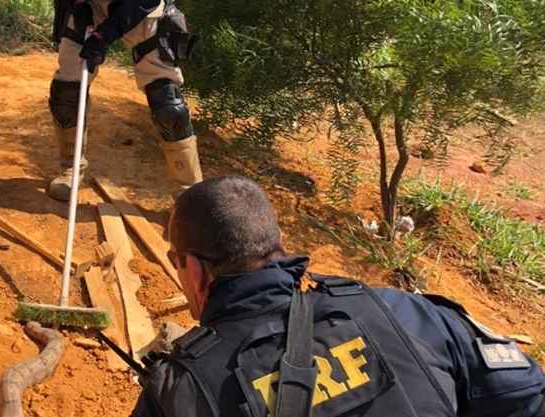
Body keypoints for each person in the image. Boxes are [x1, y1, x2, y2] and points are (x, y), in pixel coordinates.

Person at [131, 175, 545, 417]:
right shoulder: (403, 311)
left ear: (197, 270)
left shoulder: (179, 392)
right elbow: (527, 397)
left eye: (176, 261)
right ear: (277, 245)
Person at [47, 0, 202, 201]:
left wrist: (104, 35)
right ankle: (71, 170)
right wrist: (77, 6)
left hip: (139, 8)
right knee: (66, 93)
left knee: (167, 105)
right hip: (93, 6)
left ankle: (189, 192)